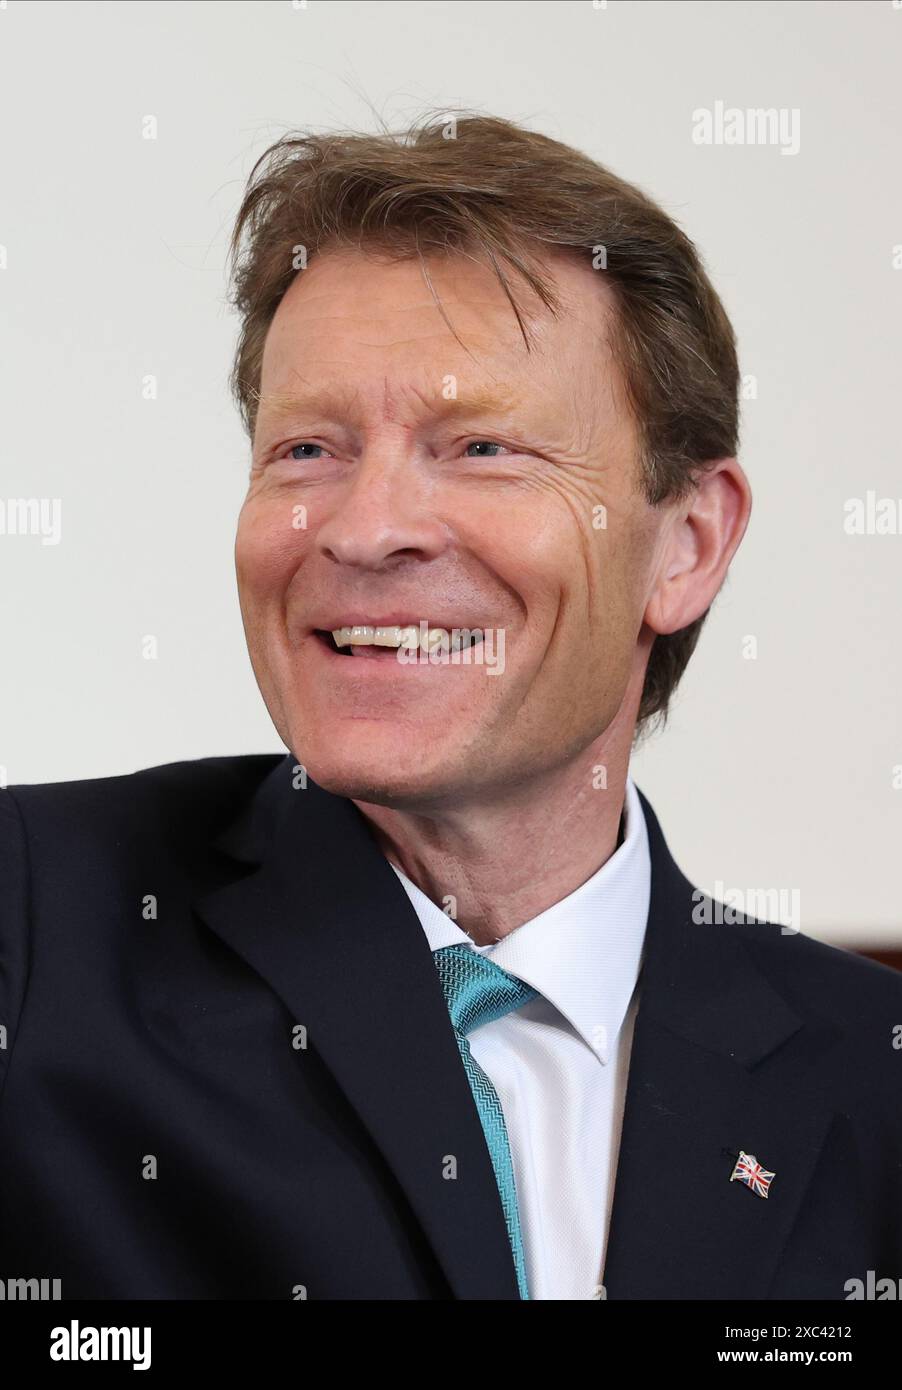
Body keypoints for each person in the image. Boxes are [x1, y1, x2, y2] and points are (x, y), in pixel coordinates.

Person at [2, 113, 900, 1301]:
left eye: (479, 447)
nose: (365, 528)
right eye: (307, 450)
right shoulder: (30, 923)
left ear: (685, 543)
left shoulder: (873, 1073)